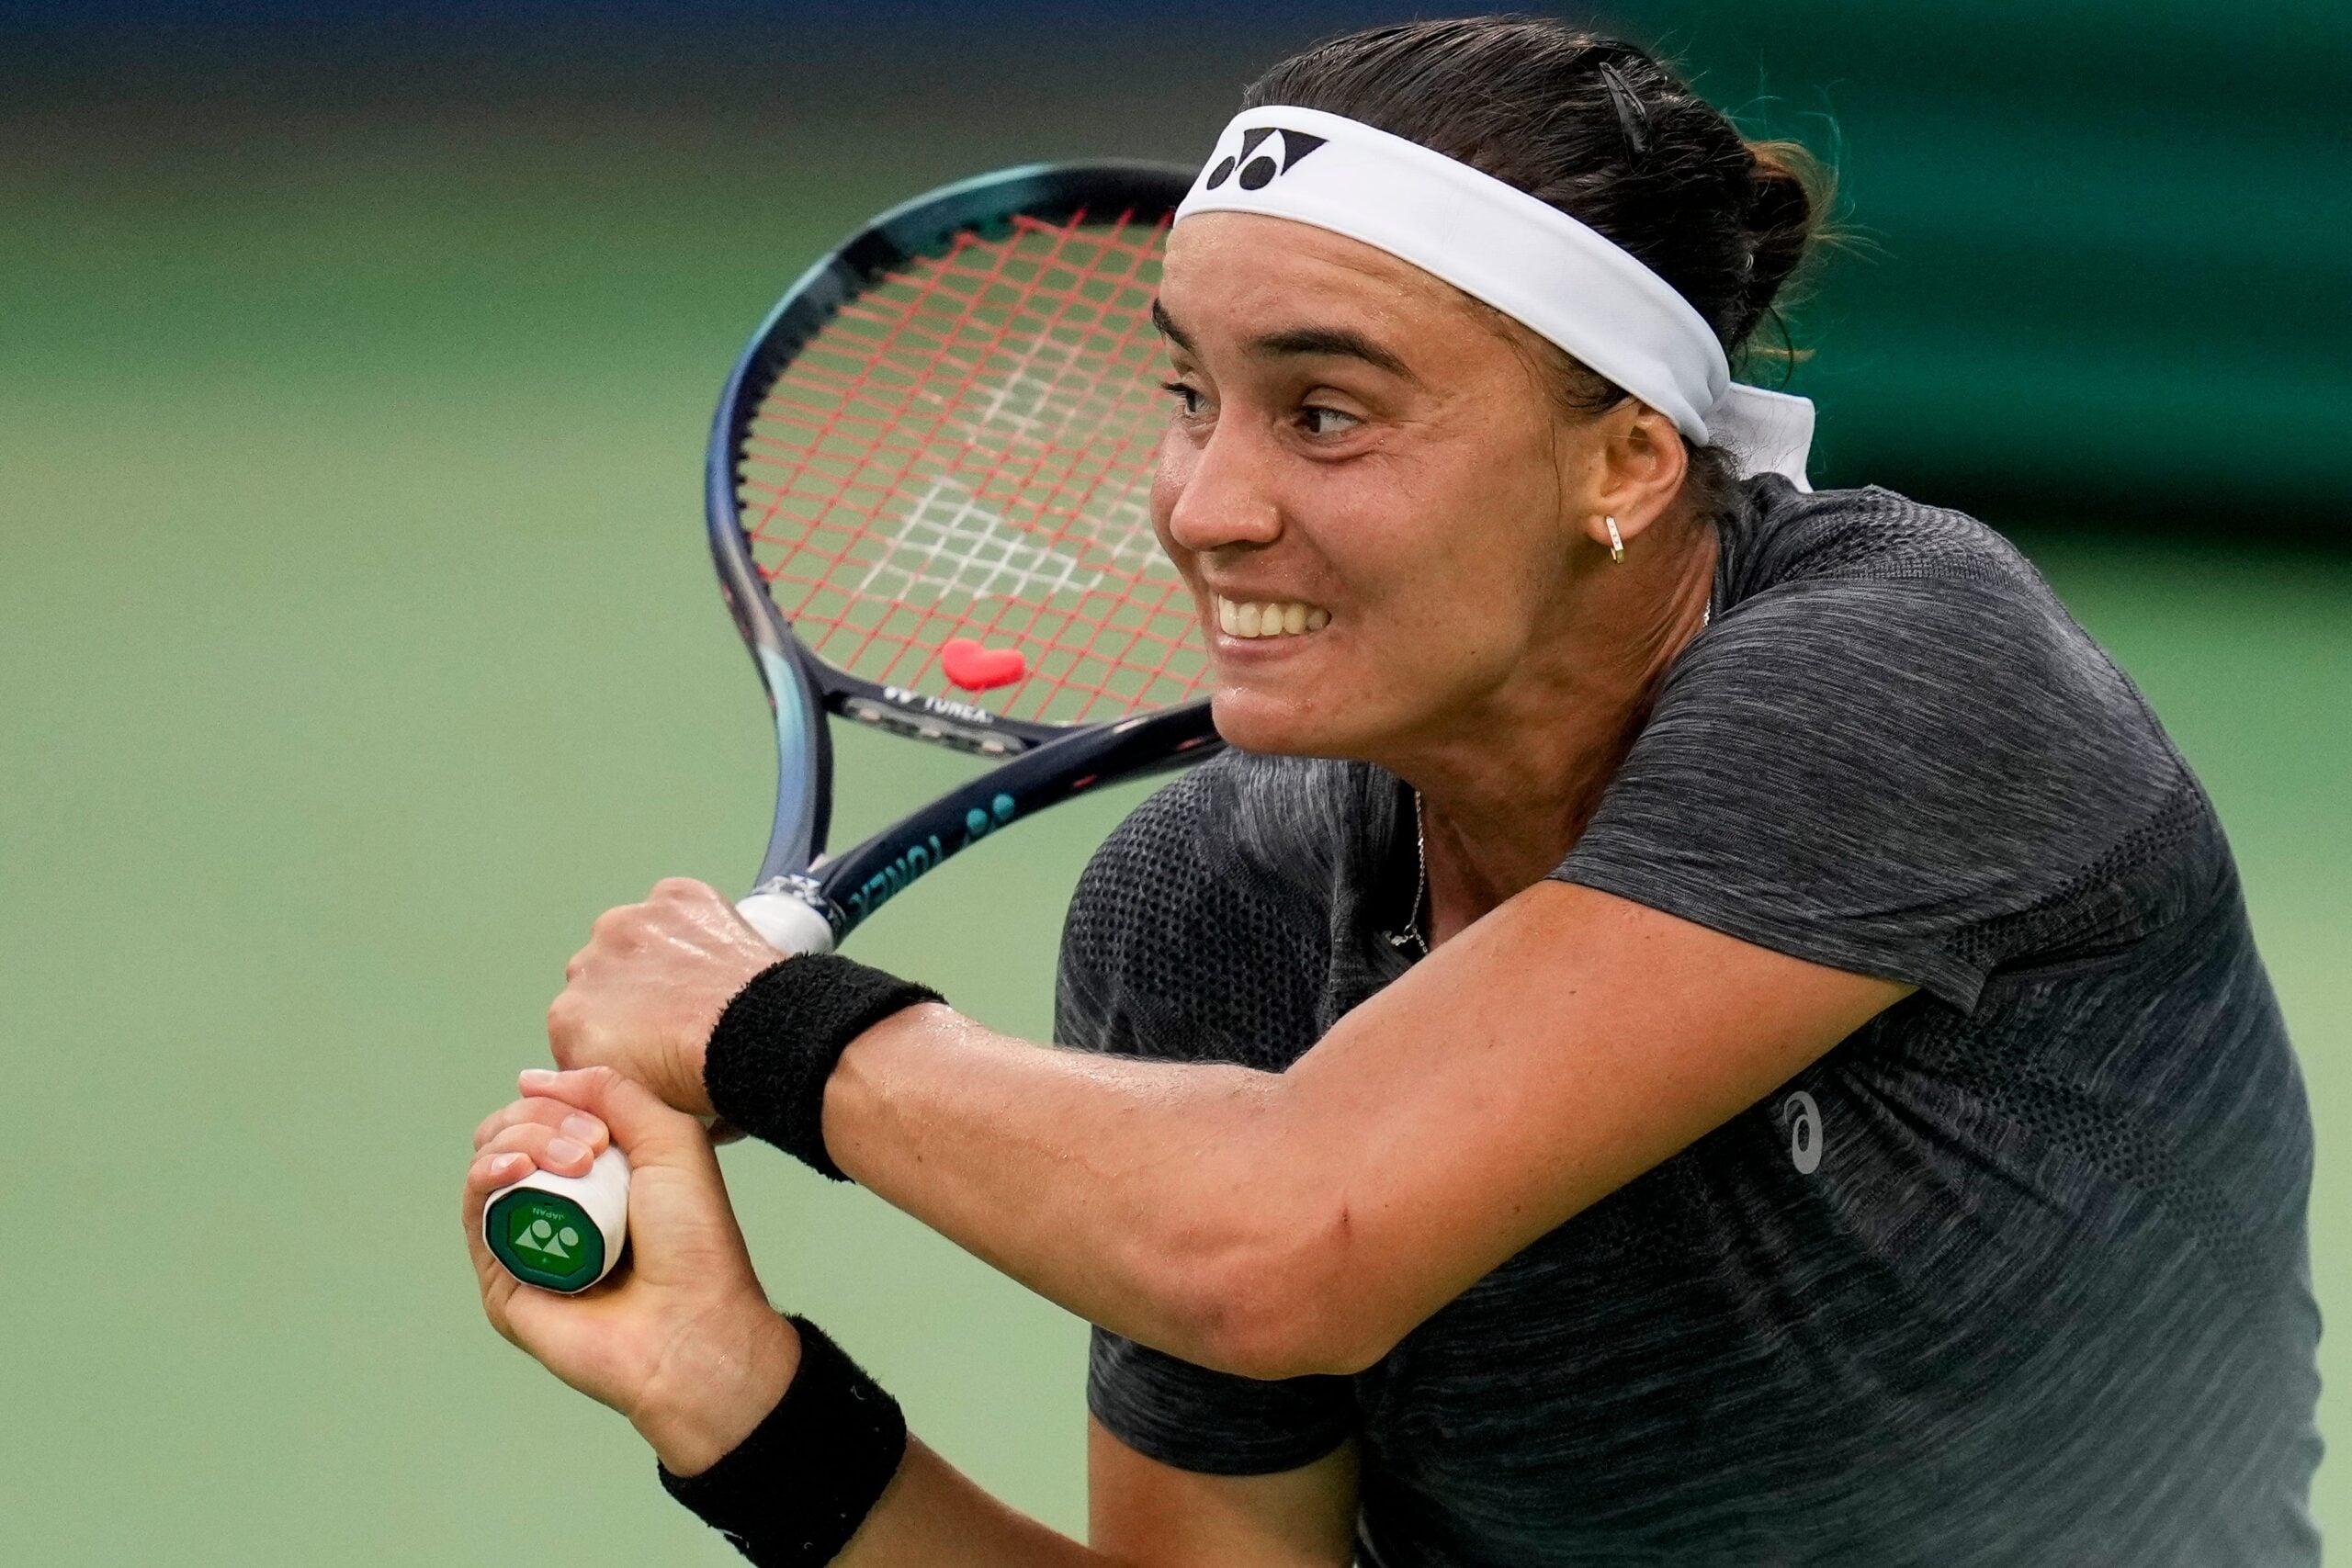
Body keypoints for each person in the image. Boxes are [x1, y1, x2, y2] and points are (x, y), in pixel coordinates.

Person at [460, 17, 2321, 1566]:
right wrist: (745, 1403)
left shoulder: (1906, 676)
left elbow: (1285, 1241)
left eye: (1325, 414)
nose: (1205, 505)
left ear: (1624, 460)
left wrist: (764, 1027)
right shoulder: (1211, 911)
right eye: (1188, 396)